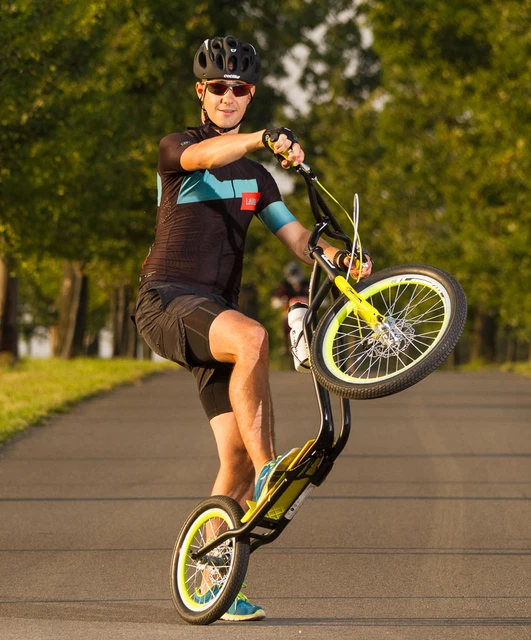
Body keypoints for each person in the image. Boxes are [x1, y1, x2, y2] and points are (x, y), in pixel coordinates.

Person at [134, 35, 371, 621]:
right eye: (219, 88)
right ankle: (273, 472)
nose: (229, 96)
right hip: (167, 301)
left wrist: (341, 259)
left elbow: (297, 238)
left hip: (211, 313)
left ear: (251, 93)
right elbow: (209, 157)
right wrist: (262, 137)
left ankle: (215, 574)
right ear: (201, 92)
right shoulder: (178, 149)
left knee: (232, 460)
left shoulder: (259, 181)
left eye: (240, 89)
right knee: (253, 336)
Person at [270, 262, 310, 358]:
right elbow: (275, 299)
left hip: (307, 312)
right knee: (284, 321)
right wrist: (280, 301)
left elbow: (317, 295)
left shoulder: (307, 284)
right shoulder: (284, 286)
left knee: (315, 323)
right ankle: (285, 344)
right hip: (290, 313)